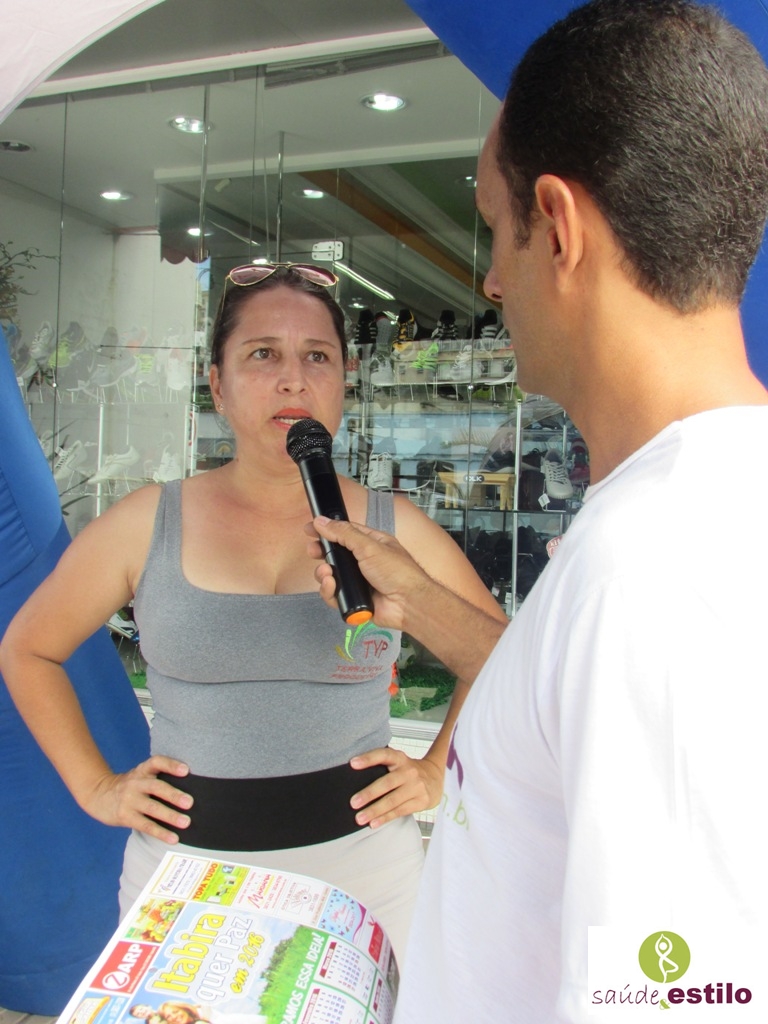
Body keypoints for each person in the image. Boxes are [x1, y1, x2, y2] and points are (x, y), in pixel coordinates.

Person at [308, 2, 768, 1020]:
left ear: (556, 228)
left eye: (492, 226)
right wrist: (422, 603)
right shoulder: (686, 518)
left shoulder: (654, 574)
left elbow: (678, 1000)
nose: (489, 278)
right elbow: (564, 701)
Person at [0, 263, 505, 964]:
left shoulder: (397, 528)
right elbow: (28, 648)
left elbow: (501, 656)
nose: (293, 379)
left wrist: (435, 768)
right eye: (263, 354)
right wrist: (95, 787)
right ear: (217, 383)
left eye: (316, 357)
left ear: (345, 380)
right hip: (184, 879)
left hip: (367, 877)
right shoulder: (147, 521)